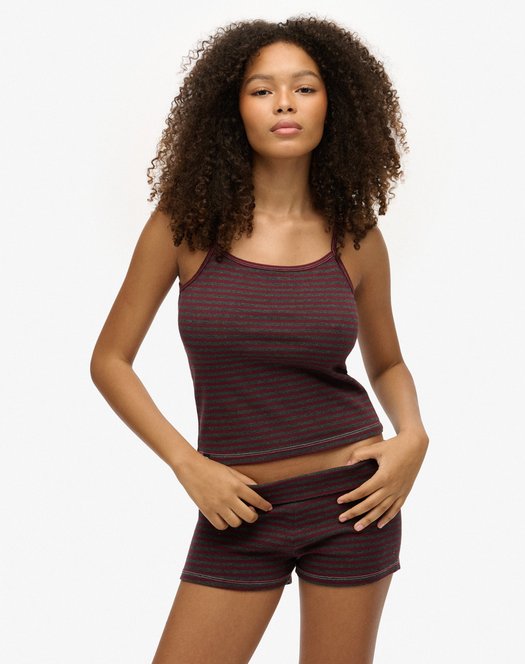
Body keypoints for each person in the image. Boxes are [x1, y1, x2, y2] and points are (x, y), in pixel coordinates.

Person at [90, 16, 429, 664]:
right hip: (234, 511)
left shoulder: (357, 237)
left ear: (333, 104)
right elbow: (110, 360)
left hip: (352, 504)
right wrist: (187, 464)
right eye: (262, 89)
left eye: (304, 88)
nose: (284, 103)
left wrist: (412, 436)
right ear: (232, 108)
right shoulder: (184, 227)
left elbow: (387, 363)